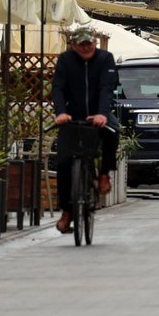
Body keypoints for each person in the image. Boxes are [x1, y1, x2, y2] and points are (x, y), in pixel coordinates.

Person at [51, 26, 119, 234]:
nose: (86, 47)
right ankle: (67, 212)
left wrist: (102, 113)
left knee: (112, 133)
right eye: (81, 44)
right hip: (72, 117)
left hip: (99, 114)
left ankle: (105, 174)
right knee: (63, 162)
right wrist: (61, 112)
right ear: (73, 45)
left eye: (89, 43)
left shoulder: (105, 59)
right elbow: (58, 88)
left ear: (95, 42)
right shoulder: (65, 60)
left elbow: (107, 88)